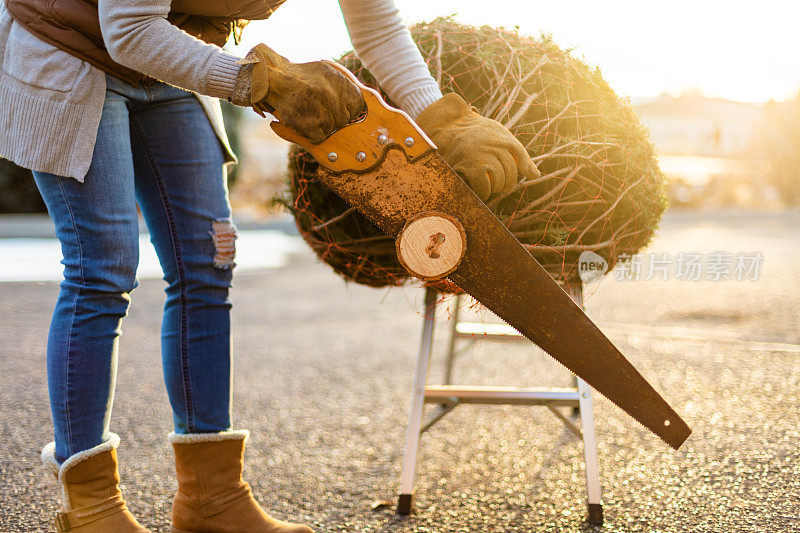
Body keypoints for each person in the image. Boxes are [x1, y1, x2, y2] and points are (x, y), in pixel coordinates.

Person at [0, 0, 539, 531]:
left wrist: (434, 117)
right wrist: (264, 83)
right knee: (104, 270)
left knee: (207, 266)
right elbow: (129, 28)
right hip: (74, 49)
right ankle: (90, 506)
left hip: (171, 58)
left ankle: (212, 499)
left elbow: (375, 22)